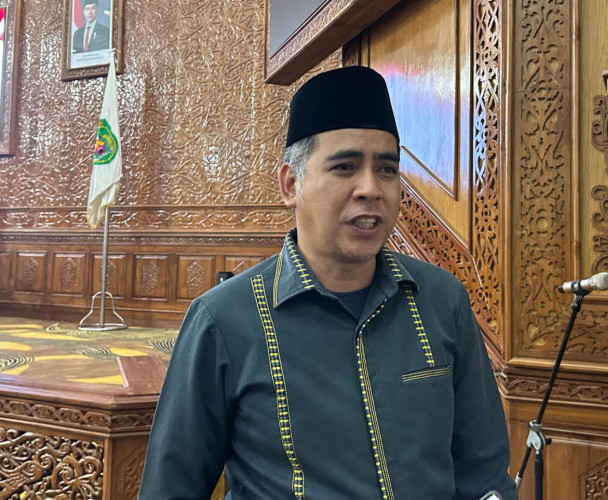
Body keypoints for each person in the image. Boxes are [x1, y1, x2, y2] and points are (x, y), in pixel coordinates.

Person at [139, 66, 517, 500]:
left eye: (387, 169)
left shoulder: (442, 300)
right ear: (291, 184)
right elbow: (170, 489)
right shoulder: (224, 319)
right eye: (345, 167)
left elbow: (484, 476)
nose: (371, 188)